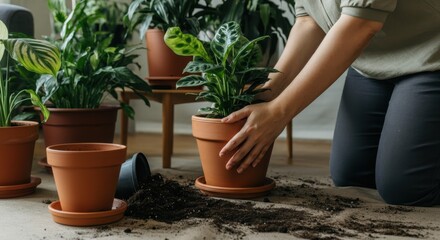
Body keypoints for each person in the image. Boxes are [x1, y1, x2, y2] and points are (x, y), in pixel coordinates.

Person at [219, 0, 440, 206]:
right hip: (374, 60)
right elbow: (308, 21)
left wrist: (279, 112)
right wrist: (268, 91)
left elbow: (361, 24)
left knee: (406, 189)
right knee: (352, 176)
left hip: (431, 52)